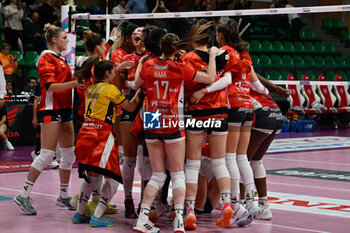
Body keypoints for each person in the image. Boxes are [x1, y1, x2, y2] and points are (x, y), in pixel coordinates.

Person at [132, 33, 218, 233]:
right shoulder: (180, 68)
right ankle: (179, 219)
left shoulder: (148, 65)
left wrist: (141, 62)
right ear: (176, 49)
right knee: (178, 173)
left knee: (157, 175)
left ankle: (142, 218)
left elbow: (135, 84)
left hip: (152, 119)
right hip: (172, 119)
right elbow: (210, 78)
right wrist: (212, 56)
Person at [14, 23, 81, 215]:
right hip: (51, 109)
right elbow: (50, 87)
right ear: (54, 39)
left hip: (66, 109)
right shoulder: (46, 57)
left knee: (69, 154)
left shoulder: (60, 58)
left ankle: (64, 195)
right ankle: (23, 195)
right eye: (64, 38)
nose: (66, 41)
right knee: (46, 155)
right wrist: (76, 83)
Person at [72, 57, 140, 227]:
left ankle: (79, 214)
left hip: (84, 134)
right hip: (100, 136)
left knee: (91, 177)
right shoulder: (110, 89)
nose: (115, 74)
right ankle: (97, 215)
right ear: (108, 73)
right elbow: (130, 107)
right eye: (113, 71)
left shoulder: (91, 88)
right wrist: (140, 92)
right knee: (115, 179)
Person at [180, 21, 235, 230]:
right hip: (219, 113)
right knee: (220, 163)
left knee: (193, 164)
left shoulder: (188, 57)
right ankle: (227, 204)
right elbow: (228, 79)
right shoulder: (222, 56)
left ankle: (191, 209)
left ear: (195, 37)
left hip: (197, 113)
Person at [215, 19, 262, 219]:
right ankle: (251, 203)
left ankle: (235, 205)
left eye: (217, 34)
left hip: (233, 105)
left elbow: (216, 77)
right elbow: (257, 84)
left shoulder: (223, 52)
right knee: (242, 157)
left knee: (229, 157)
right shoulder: (244, 56)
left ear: (221, 35)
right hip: (248, 107)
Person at [118, 26, 149, 219]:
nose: (137, 34)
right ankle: (128, 198)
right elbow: (118, 85)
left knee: (150, 158)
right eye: (135, 32)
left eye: (141, 32)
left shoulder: (154, 58)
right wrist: (117, 70)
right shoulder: (124, 59)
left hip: (152, 110)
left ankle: (148, 201)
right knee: (129, 158)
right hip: (129, 107)